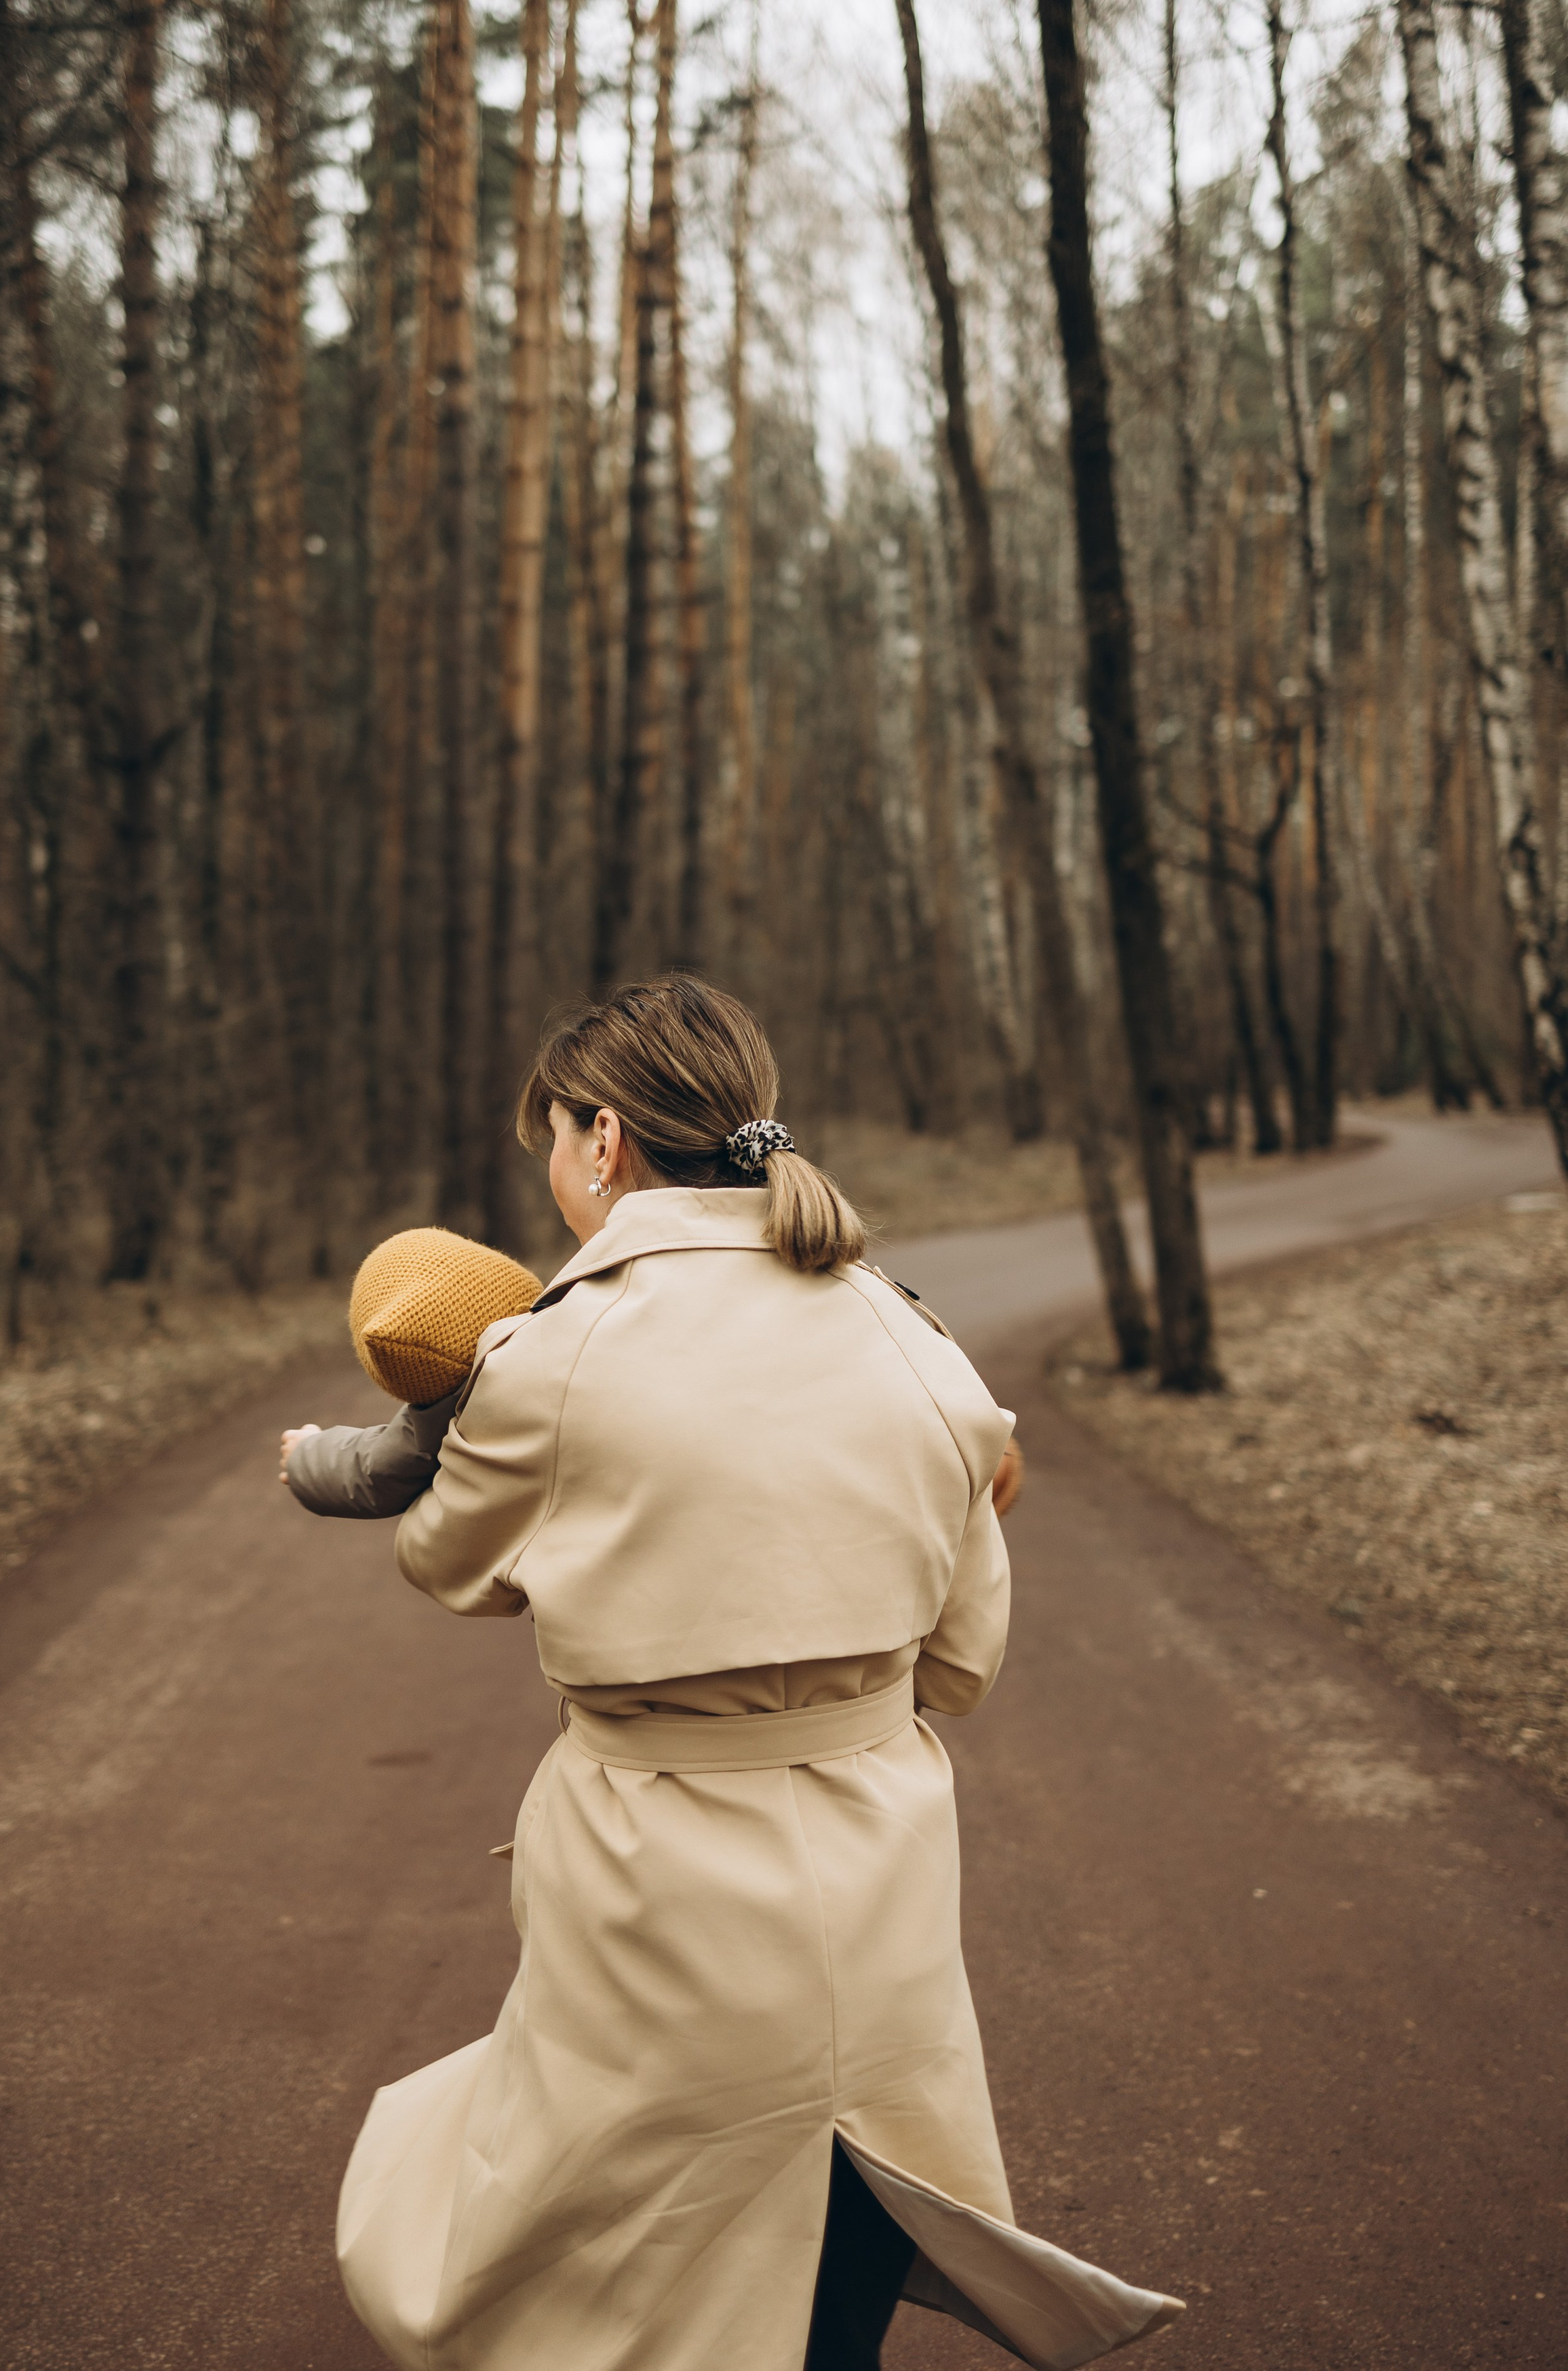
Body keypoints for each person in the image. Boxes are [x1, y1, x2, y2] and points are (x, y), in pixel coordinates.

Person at [283, 975, 1180, 2371]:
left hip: (657, 1868)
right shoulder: (913, 1338)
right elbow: (958, 1661)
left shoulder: (554, 1353)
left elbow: (449, 1566)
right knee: (855, 2179)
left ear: (602, 1142)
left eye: (556, 1147)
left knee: (609, 2213)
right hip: (877, 1857)